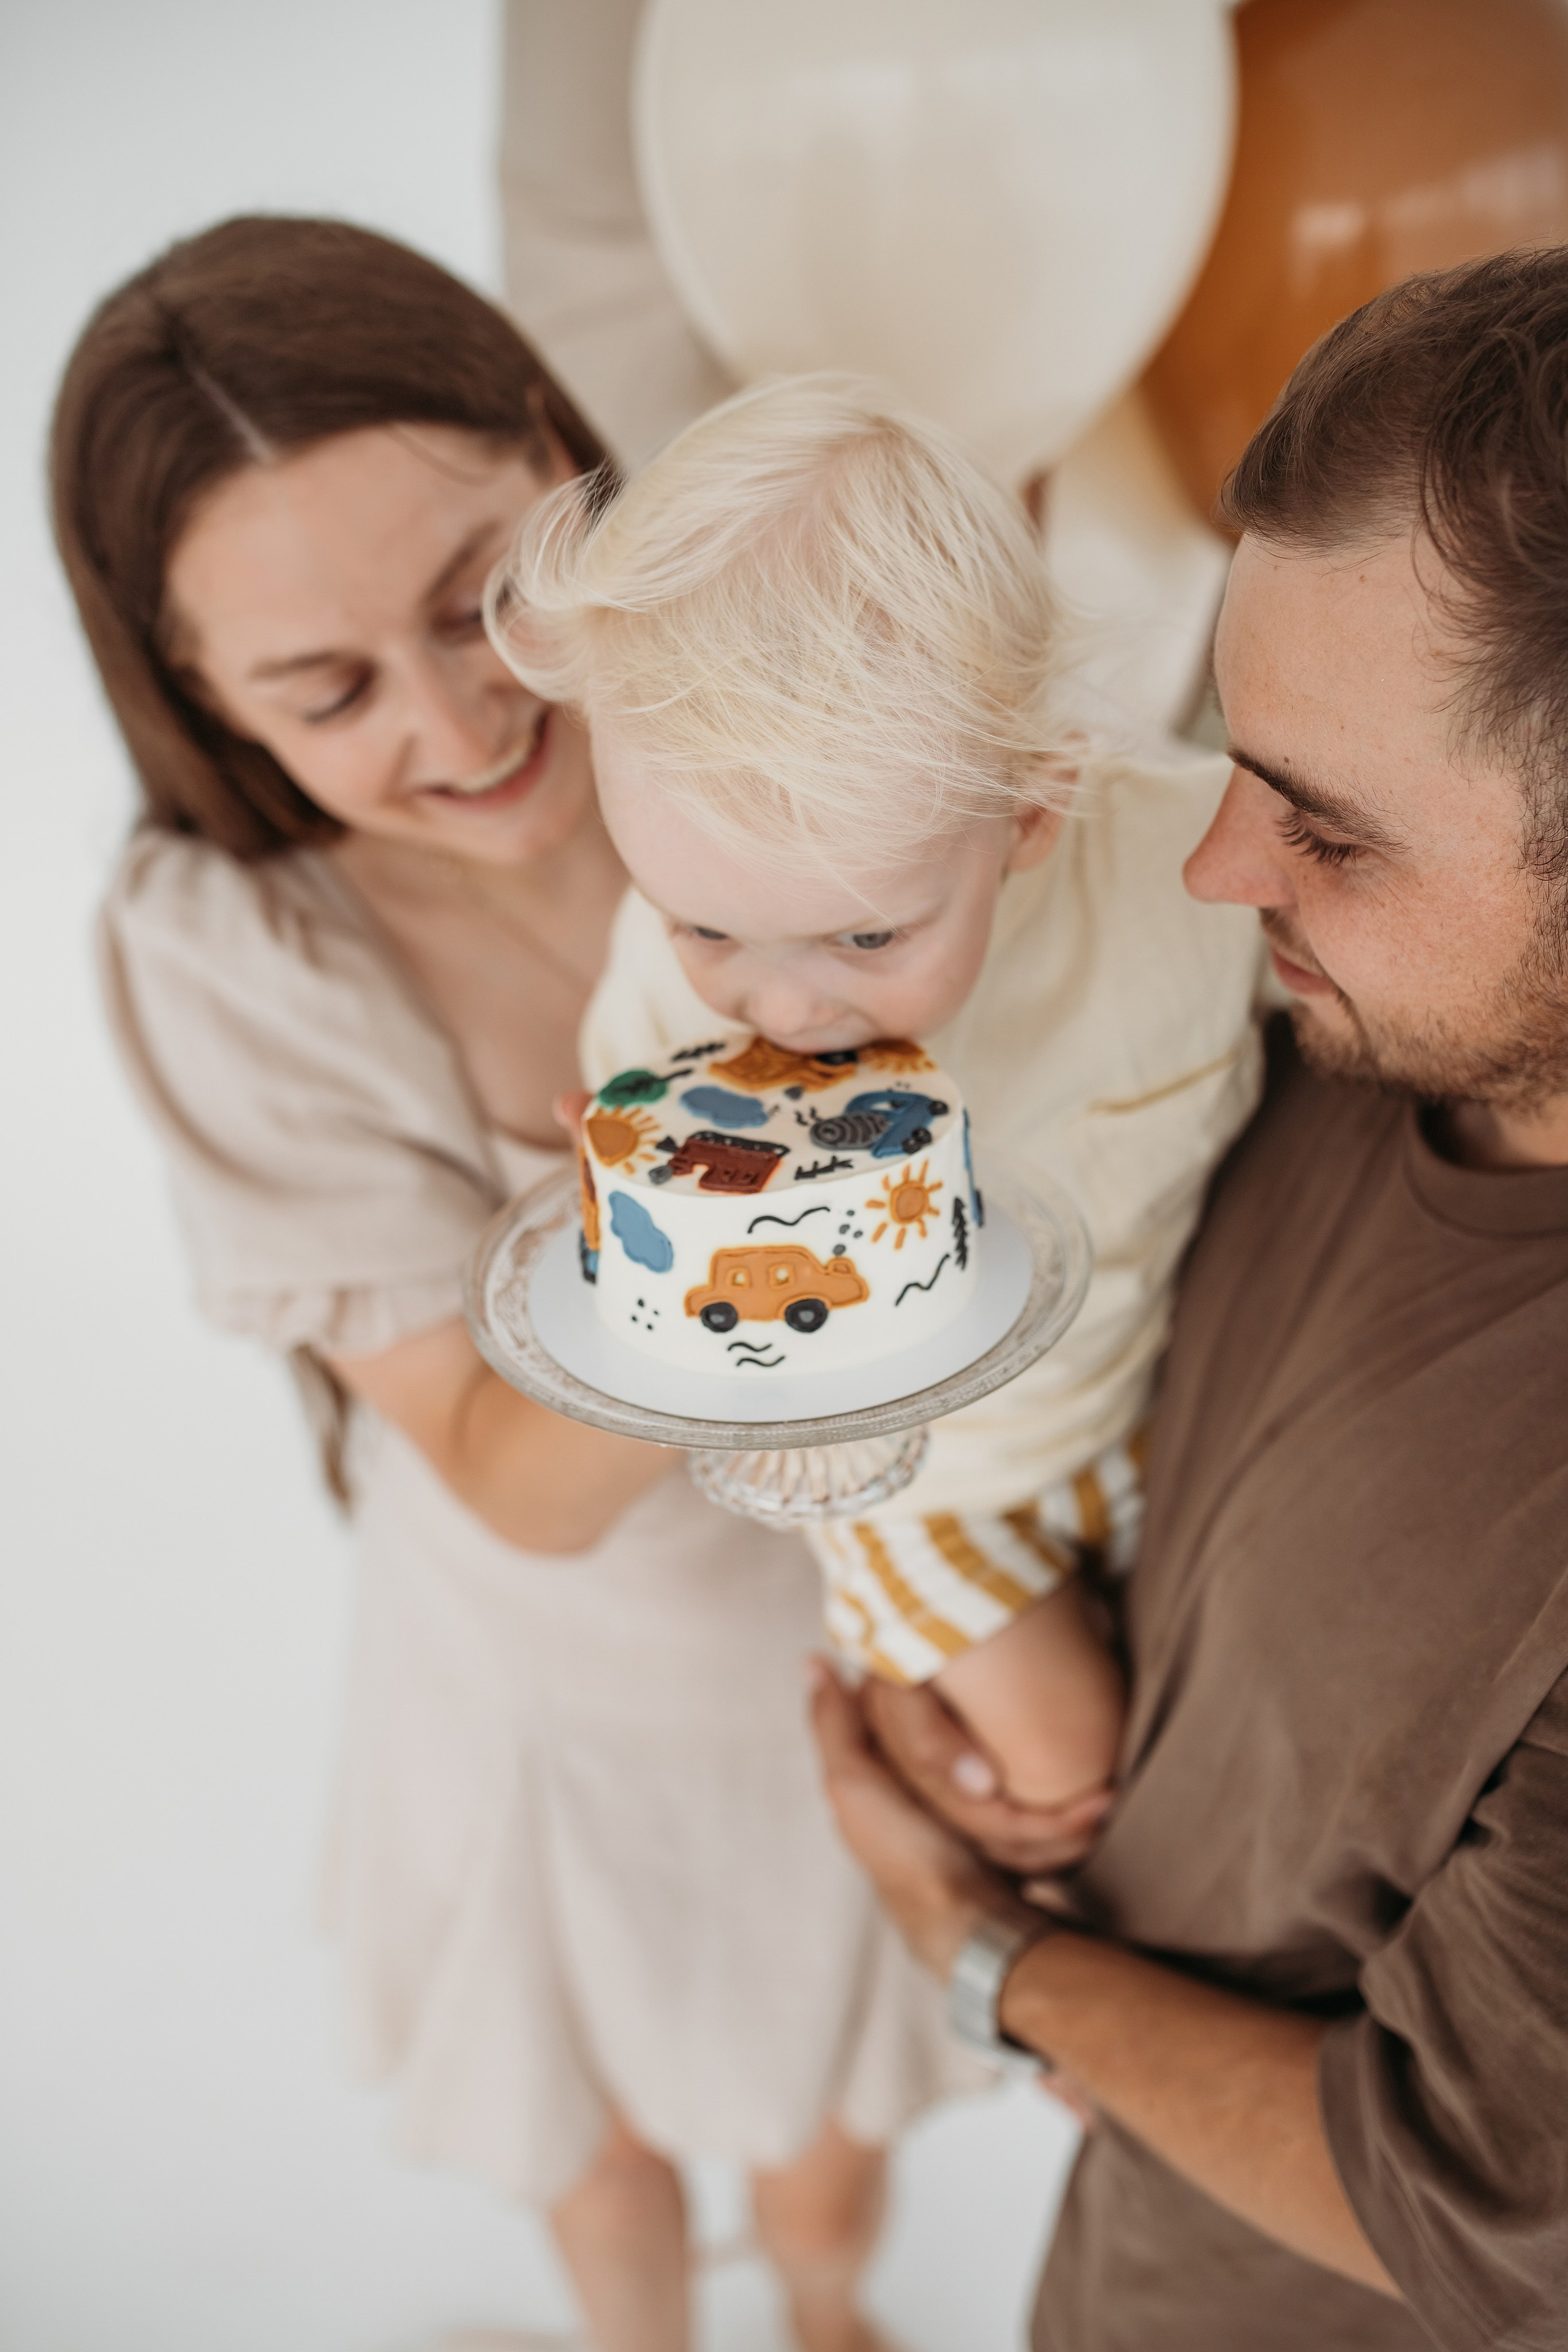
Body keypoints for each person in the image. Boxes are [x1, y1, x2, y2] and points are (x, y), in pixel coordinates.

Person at [57, 216, 968, 2352]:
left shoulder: (801, 719)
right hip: (549, 1676)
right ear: (199, 693)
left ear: (570, 451)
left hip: (853, 1619)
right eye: (326, 690)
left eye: (487, 597)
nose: (466, 718)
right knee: (596, 2149)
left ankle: (829, 2312)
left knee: (835, 2123)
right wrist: (733, 1186)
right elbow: (512, 1477)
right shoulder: (237, 952)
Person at [811, 246, 1568, 2352]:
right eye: (1236, 758)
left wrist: (977, 1947)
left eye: (1321, 823)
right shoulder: (1332, 1018)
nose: (1216, 867)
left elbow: (1483, 2207)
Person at [490, 376, 1265, 1812]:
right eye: (707, 927)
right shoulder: (661, 1007)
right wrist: (628, 1208)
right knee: (1067, 1762)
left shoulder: (1189, 874)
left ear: (1029, 806)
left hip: (1158, 1413)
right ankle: (1033, 2010)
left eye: (866, 937)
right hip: (917, 1489)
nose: (785, 1011)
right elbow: (663, 1269)